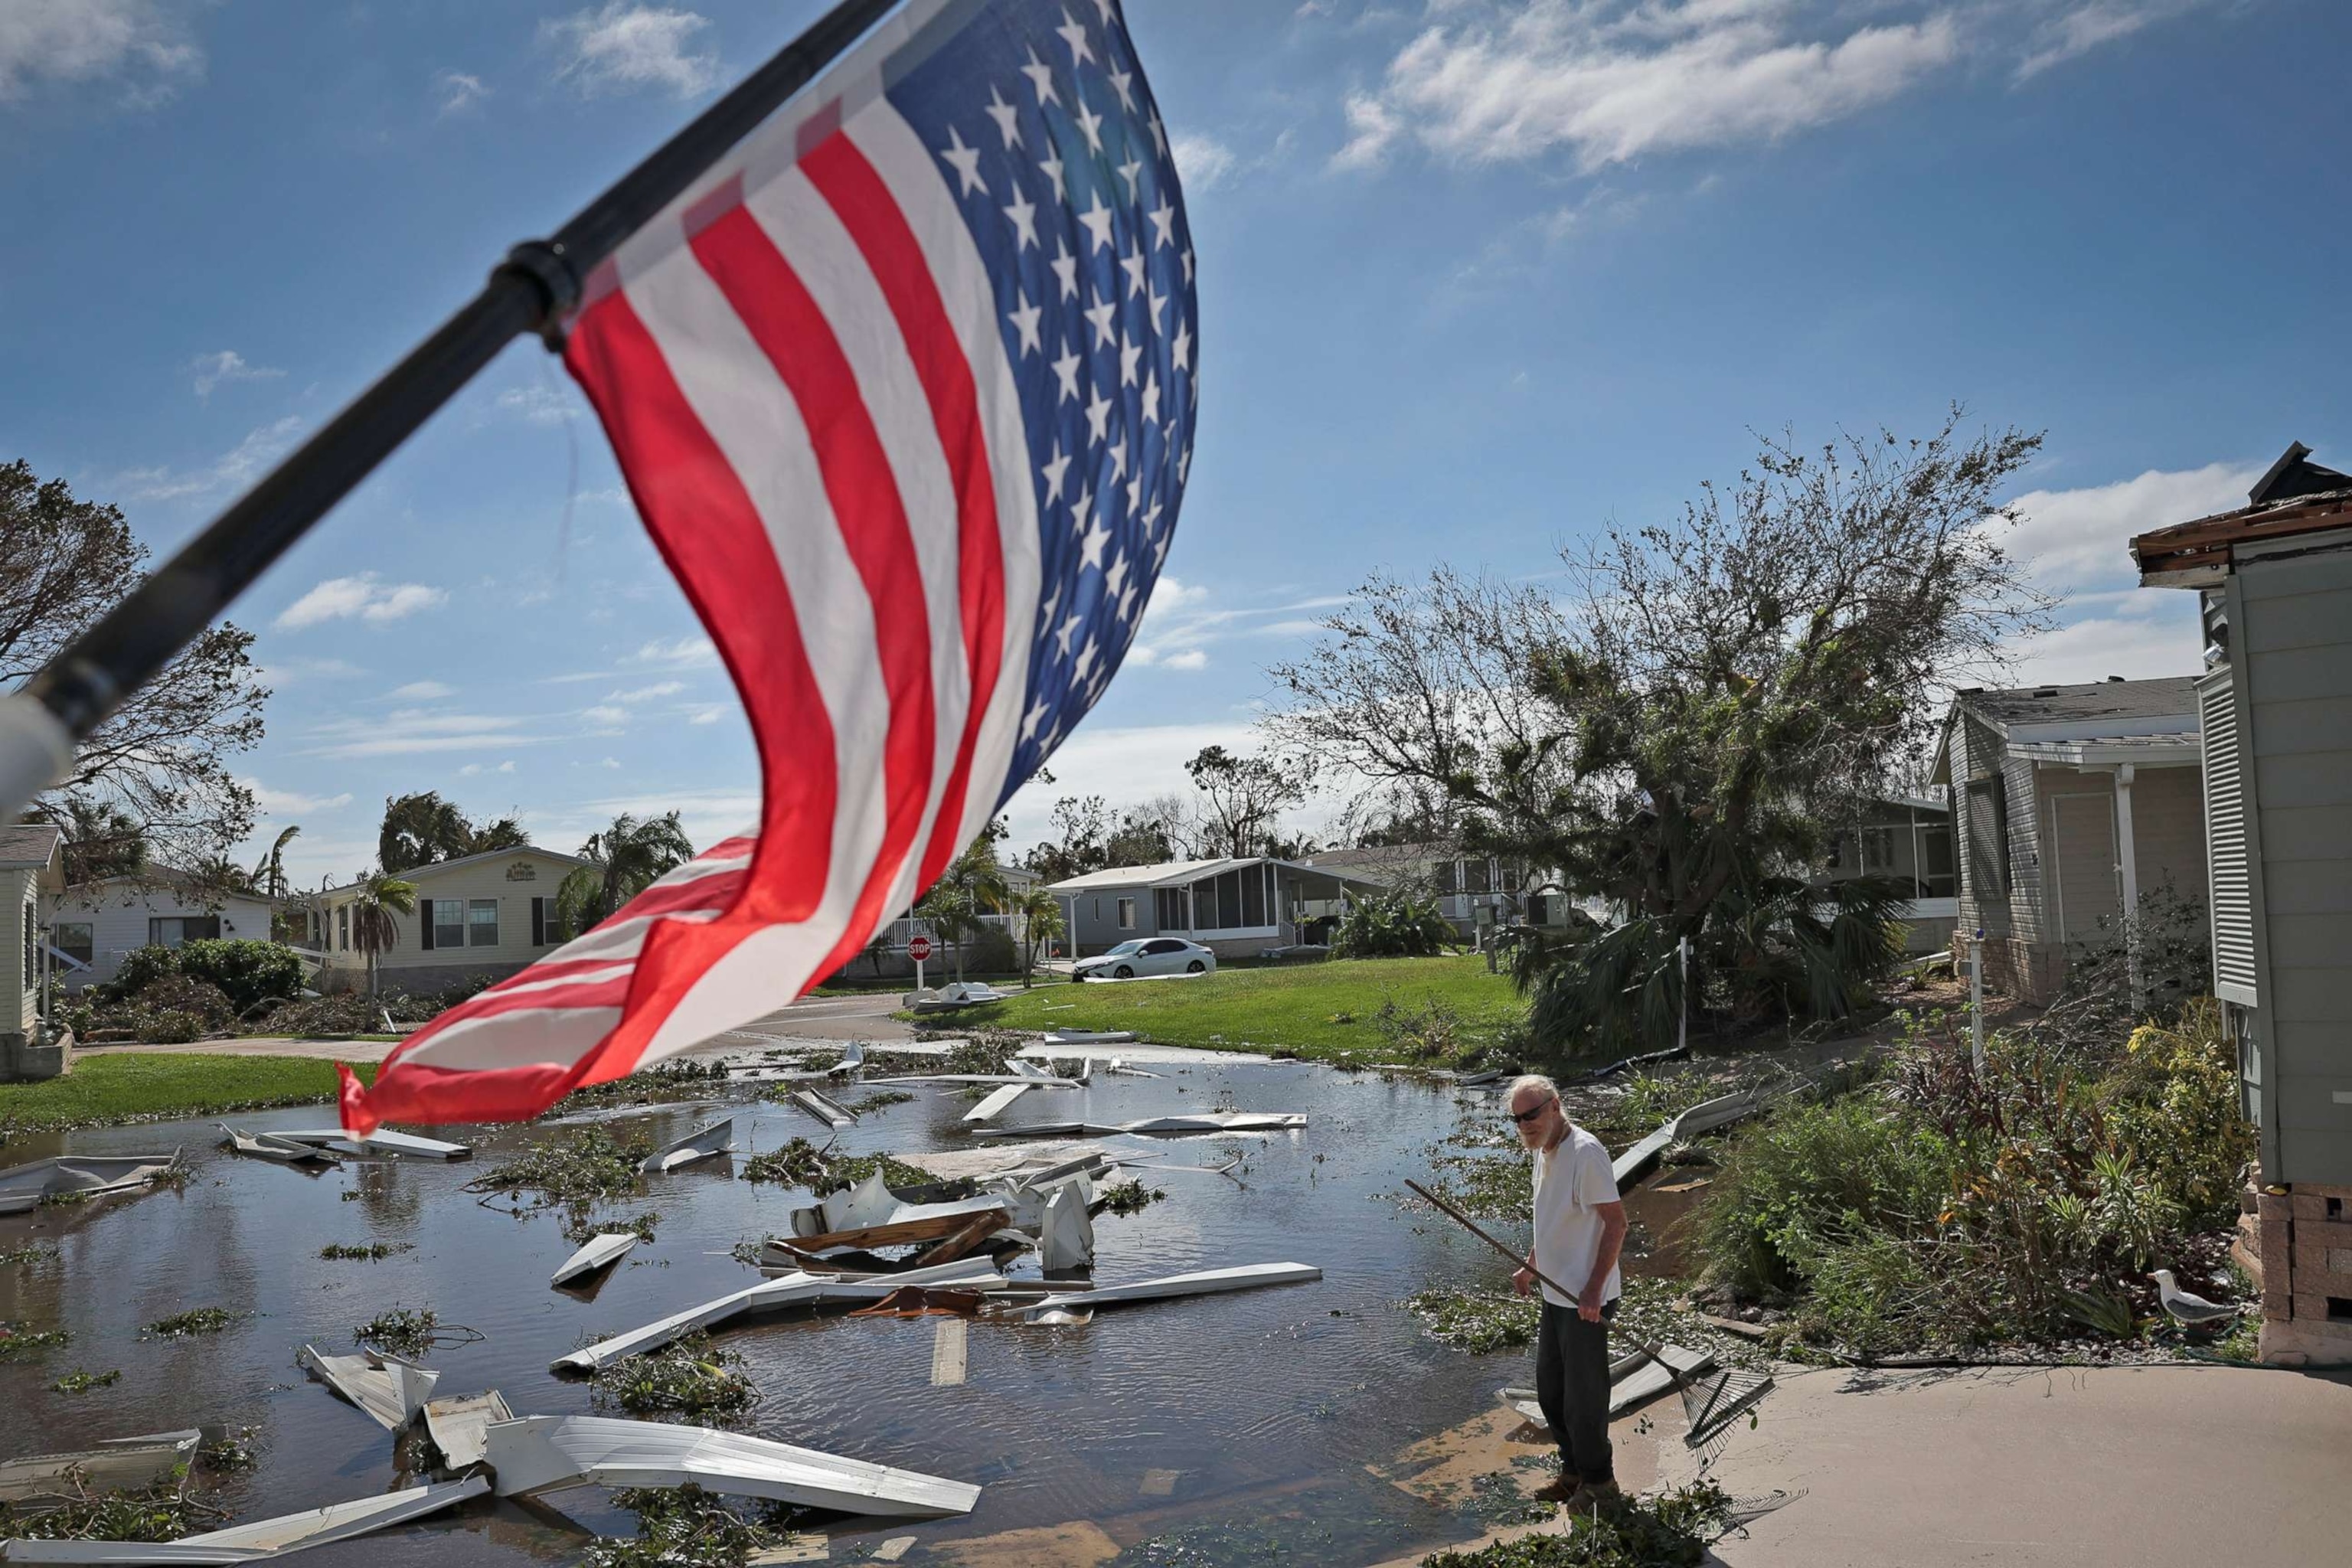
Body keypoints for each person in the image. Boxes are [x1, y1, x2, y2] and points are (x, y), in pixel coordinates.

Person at [1507, 1072, 1627, 1509]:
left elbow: (1617, 1224)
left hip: (1585, 1301)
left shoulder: (1585, 1153)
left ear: (1555, 1106)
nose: (1525, 1125)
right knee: (1550, 1393)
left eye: (1532, 1114)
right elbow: (1553, 1221)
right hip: (1555, 1295)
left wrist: (1594, 1289)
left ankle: (1600, 1483)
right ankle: (1573, 1470)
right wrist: (1530, 1266)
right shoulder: (1542, 1151)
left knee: (1584, 1399)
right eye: (1517, 1119)